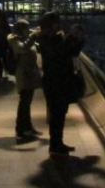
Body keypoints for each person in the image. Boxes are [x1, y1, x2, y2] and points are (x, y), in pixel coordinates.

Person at [35, 12, 84, 156]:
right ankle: (56, 145)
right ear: (53, 24)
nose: (59, 25)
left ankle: (56, 143)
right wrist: (73, 38)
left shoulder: (44, 38)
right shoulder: (53, 40)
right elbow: (68, 52)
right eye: (57, 22)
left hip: (52, 82)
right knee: (58, 114)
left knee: (57, 114)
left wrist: (71, 38)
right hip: (58, 82)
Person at [8, 19, 43, 144]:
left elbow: (36, 48)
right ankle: (20, 129)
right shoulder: (14, 39)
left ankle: (28, 127)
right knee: (24, 102)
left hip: (30, 73)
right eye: (26, 28)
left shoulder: (26, 38)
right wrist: (33, 37)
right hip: (23, 74)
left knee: (27, 102)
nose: (29, 30)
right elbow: (22, 49)